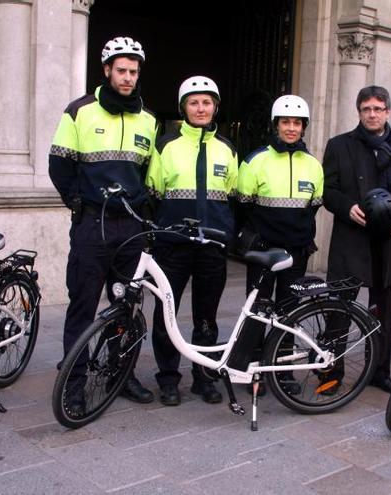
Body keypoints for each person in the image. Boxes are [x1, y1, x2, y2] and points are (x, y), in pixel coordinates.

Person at [48, 36, 157, 405]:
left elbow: (149, 175)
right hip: (92, 226)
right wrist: (78, 204)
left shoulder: (149, 120)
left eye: (134, 71)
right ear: (107, 70)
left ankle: (119, 375)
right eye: (121, 70)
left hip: (131, 228)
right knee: (83, 306)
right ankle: (73, 386)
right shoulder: (79, 110)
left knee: (127, 305)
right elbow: (59, 165)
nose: (127, 77)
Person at [144, 76, 238, 406]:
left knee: (206, 316)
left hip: (212, 246)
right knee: (165, 314)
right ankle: (168, 378)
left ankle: (203, 377)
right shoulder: (165, 145)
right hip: (173, 245)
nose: (201, 108)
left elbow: (231, 195)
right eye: (194, 102)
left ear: (215, 107)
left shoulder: (227, 148)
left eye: (207, 102)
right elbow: (153, 193)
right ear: (184, 107)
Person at [322, 85, 391, 393]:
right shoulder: (339, 145)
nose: (372, 114)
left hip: (387, 242)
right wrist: (346, 207)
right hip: (350, 239)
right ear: (359, 112)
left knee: (382, 313)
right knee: (339, 310)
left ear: (388, 112)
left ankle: (380, 370)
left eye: (378, 108)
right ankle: (331, 370)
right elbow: (327, 190)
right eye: (366, 109)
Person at [236, 95, 323, 394]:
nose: (291, 128)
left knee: (289, 313)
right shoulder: (254, 160)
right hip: (263, 251)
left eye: (296, 123)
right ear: (276, 125)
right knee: (257, 310)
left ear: (303, 127)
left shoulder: (313, 165)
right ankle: (251, 368)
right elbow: (243, 205)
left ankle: (283, 370)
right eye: (285, 122)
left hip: (296, 252)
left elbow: (314, 206)